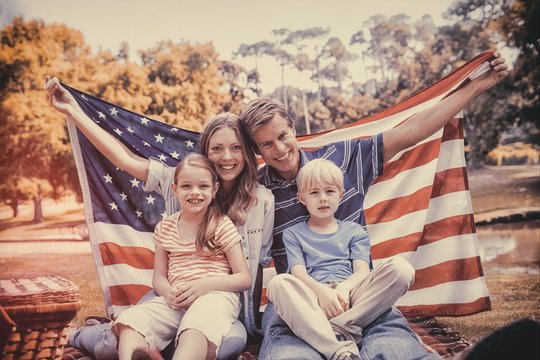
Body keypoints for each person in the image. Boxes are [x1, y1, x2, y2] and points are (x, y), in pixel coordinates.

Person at [238, 52, 508, 360]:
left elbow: (412, 131)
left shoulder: (344, 158)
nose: (279, 149)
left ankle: (350, 329)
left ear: (292, 128)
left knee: (393, 353)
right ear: (256, 149)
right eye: (266, 144)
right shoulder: (256, 192)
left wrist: (473, 88)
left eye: (282, 136)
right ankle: (333, 344)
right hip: (298, 301)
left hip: (360, 292)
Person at [44, 77, 275, 359]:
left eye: (236, 147)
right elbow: (124, 159)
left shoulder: (261, 200)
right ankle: (91, 334)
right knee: (110, 346)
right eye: (217, 148)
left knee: (226, 346)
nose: (226, 157)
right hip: (172, 298)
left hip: (220, 303)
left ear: (248, 153)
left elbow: (250, 273)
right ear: (204, 153)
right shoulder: (176, 180)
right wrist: (74, 111)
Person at [266, 159, 415, 360]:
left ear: (341, 194)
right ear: (301, 198)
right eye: (314, 193)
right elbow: (298, 272)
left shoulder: (354, 231)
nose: (323, 199)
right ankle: (338, 351)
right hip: (314, 296)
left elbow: (362, 272)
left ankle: (342, 325)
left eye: (329, 191)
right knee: (278, 284)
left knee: (401, 269)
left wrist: (343, 290)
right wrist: (323, 293)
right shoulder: (293, 234)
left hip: (352, 294)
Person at [112, 152, 251, 360]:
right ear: (175, 189)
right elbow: (159, 276)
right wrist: (169, 293)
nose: (194, 192)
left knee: (196, 326)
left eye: (203, 186)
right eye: (186, 186)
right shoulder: (165, 227)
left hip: (214, 297)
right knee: (130, 321)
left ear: (214, 190)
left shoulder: (221, 225)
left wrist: (205, 285)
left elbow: (244, 278)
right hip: (175, 300)